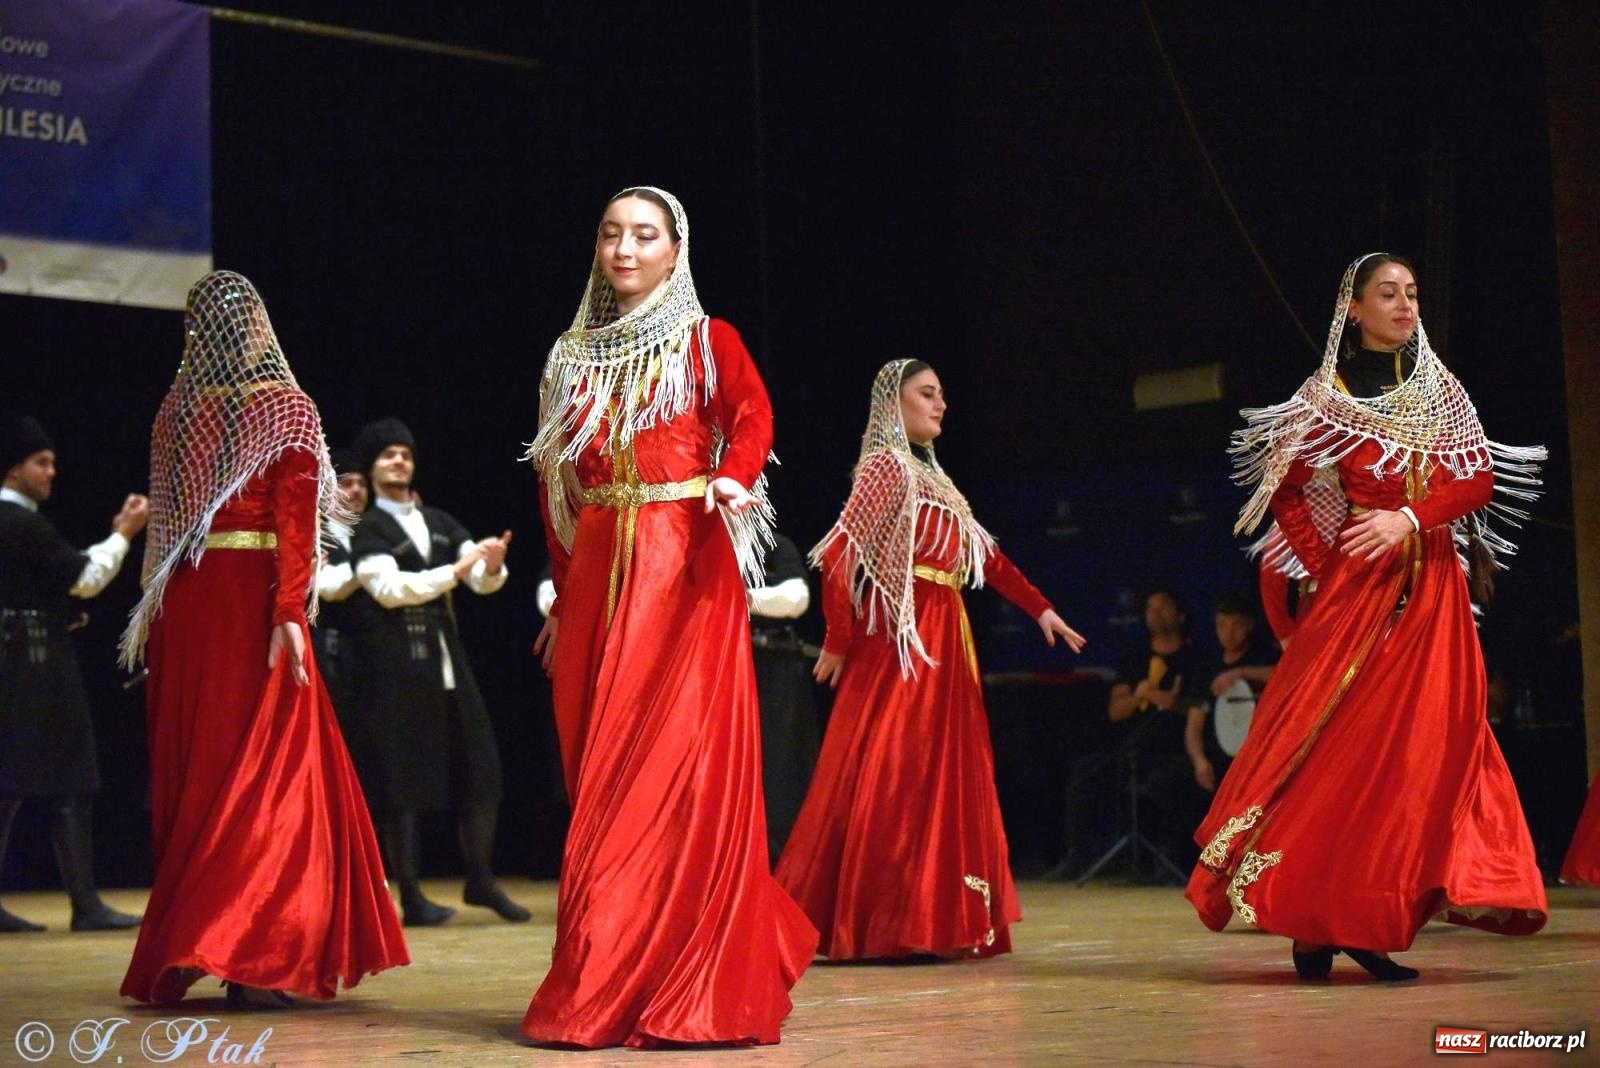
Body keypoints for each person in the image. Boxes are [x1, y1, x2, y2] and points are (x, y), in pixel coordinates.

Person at [1186, 253, 1548, 983]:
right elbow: (1286, 492)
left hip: (1436, 594)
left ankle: (1373, 914)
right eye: (1389, 294)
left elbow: (1475, 479)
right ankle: (1317, 920)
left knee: (1426, 749)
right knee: (1338, 752)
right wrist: (1331, 566)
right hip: (1362, 599)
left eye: (1412, 293)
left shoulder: (1439, 389)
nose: (1405, 304)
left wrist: (1409, 519)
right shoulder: (1328, 396)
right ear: (1353, 308)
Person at [524, 186, 815, 1048]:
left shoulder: (705, 339)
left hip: (683, 562)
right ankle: (612, 962)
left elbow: (752, 414)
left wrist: (737, 473)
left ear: (674, 250)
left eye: (644, 235)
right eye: (611, 233)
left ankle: (672, 977)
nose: (623, 249)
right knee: (595, 772)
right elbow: (558, 489)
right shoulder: (570, 355)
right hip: (602, 576)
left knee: (667, 770)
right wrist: (565, 589)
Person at [118, 271, 407, 1007]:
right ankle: (255, 950)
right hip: (249, 598)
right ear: (253, 330)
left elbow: (167, 536)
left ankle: (210, 938)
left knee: (205, 768)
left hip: (187, 603)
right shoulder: (284, 407)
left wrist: (157, 615)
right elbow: (293, 515)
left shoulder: (174, 413)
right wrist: (287, 609)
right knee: (272, 765)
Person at [774, 359, 1086, 960]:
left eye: (942, 394)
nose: (941, 404)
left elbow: (986, 557)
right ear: (894, 403)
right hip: (902, 636)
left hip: (944, 636)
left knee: (939, 776)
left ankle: (930, 919)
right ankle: (886, 920)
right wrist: (839, 638)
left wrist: (1040, 610)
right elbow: (839, 555)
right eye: (927, 394)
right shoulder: (886, 467)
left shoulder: (936, 479)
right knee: (897, 772)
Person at [347, 417, 525, 927]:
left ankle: (480, 878)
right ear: (373, 467)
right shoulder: (369, 528)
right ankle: (411, 894)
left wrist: (491, 563)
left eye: (404, 453)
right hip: (395, 662)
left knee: (481, 766)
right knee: (403, 778)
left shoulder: (441, 521)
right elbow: (387, 589)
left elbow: (483, 582)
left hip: (446, 656)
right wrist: (457, 571)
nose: (398, 460)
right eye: (388, 455)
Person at [0, 416, 147, 933]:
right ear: (13, 466)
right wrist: (123, 534)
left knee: (8, 783)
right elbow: (85, 578)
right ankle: (85, 904)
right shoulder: (19, 522)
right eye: (41, 462)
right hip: (33, 664)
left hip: (17, 655)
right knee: (70, 777)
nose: (51, 473)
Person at [748, 533, 822, 864]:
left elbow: (797, 598)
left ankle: (781, 861)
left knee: (778, 763)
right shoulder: (708, 544)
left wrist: (739, 596)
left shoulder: (774, 544)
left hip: (775, 667)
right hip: (724, 663)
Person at [1183, 595, 1278, 794]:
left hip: (1258, 759)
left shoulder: (1264, 656)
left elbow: (1285, 675)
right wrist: (1199, 760)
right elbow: (1194, 724)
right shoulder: (1208, 668)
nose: (1228, 633)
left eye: (1236, 625)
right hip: (1217, 761)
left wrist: (1241, 673)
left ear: (1249, 625)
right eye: (1222, 625)